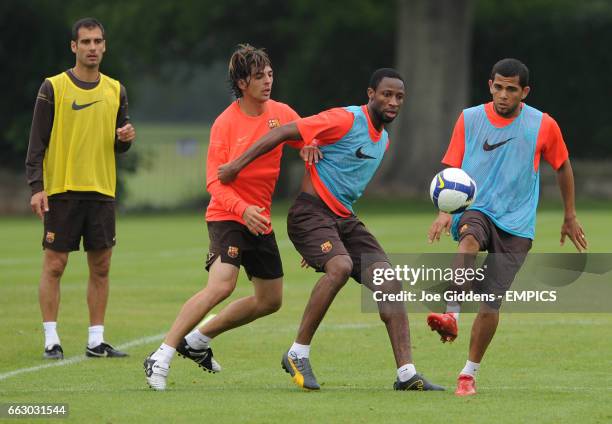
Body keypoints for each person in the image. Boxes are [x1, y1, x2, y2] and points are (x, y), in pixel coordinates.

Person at [218, 68, 444, 391]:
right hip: (309, 214)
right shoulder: (347, 119)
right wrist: (236, 166)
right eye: (386, 94)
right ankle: (297, 353)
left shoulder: (384, 140)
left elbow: (340, 181)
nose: (393, 101)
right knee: (341, 266)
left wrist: (324, 245)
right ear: (370, 94)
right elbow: (285, 131)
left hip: (343, 221)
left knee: (389, 281)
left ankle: (407, 374)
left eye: (399, 97)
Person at [144, 44, 311, 391]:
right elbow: (213, 181)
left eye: (269, 74)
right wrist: (242, 210)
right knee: (222, 285)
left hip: (259, 219)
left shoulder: (280, 112)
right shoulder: (225, 123)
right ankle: (161, 355)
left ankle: (199, 339)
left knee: (271, 301)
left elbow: (306, 135)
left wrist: (309, 144)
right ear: (240, 83)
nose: (267, 81)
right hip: (228, 214)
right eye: (258, 76)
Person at [426, 58, 587, 396]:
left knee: (490, 302)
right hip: (477, 207)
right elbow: (451, 171)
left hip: (517, 221)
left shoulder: (543, 125)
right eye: (498, 87)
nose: (503, 94)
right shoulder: (469, 118)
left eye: (511, 89)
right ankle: (451, 313)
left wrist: (569, 215)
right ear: (490, 85)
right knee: (468, 239)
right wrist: (444, 212)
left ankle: (468, 374)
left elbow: (562, 166)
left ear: (524, 92)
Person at [25, 17, 135, 360]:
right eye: (85, 42)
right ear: (74, 46)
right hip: (62, 190)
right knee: (54, 265)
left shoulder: (116, 89)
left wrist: (125, 140)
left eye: (97, 41)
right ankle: (51, 339)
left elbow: (118, 142)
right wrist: (36, 186)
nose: (92, 47)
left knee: (101, 266)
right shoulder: (53, 87)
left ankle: (96, 340)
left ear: (104, 46)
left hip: (102, 190)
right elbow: (36, 143)